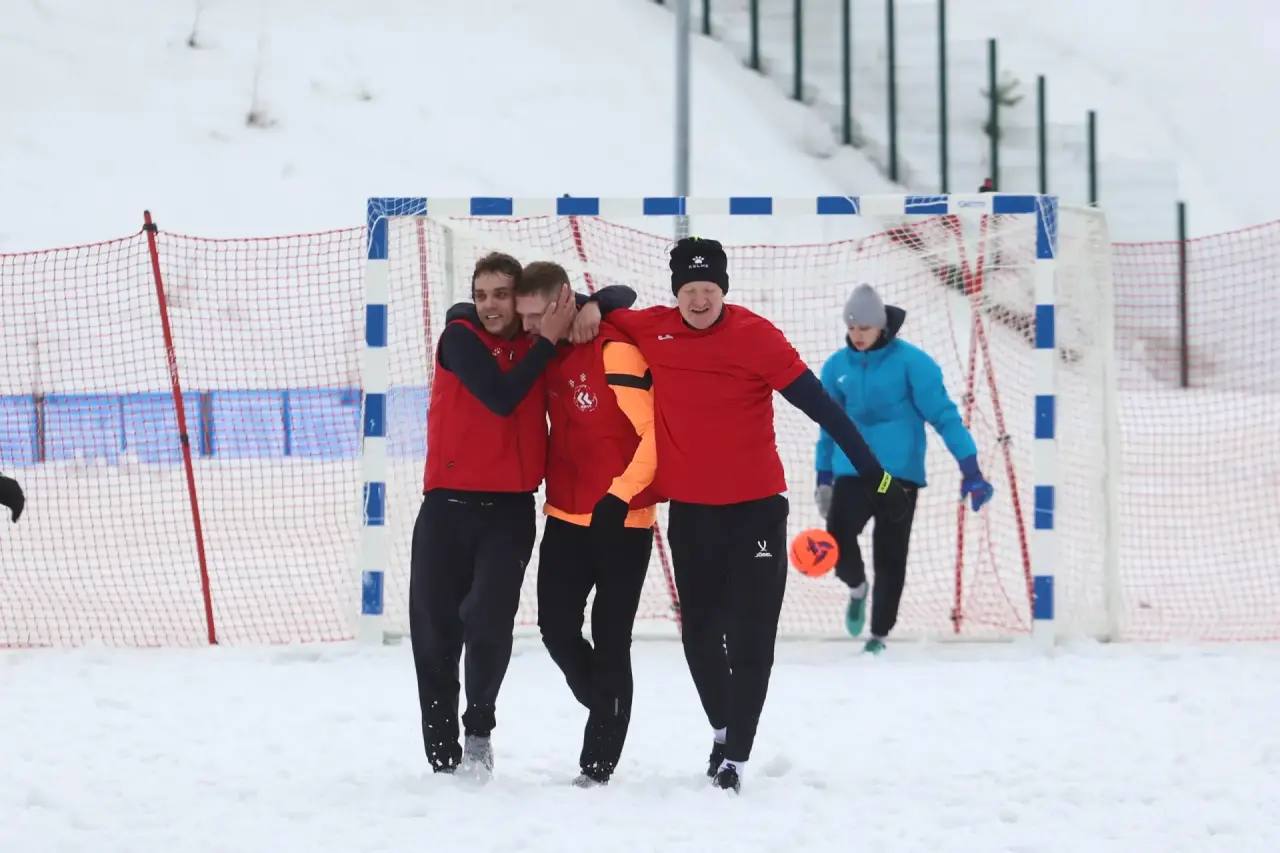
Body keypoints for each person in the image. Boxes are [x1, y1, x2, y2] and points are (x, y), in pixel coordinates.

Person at [605, 237, 908, 794]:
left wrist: (873, 472)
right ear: (677, 294)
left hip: (755, 514)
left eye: (709, 289)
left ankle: (736, 758)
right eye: (690, 290)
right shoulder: (652, 327)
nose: (700, 300)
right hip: (692, 514)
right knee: (698, 634)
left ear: (724, 289)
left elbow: (822, 406)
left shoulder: (755, 336)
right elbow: (602, 308)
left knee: (749, 638)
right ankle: (724, 729)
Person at [410, 251, 634, 781]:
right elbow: (501, 396)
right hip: (446, 507)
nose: (490, 305)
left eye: (501, 295)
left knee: (488, 621)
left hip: (508, 510)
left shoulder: (539, 342)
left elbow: (623, 295)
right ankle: (441, 755)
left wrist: (592, 305)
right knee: (436, 633)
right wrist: (554, 335)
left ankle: (479, 730)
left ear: (522, 299)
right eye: (481, 294)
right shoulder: (460, 338)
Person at [514, 261, 660, 788]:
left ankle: (597, 765)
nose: (528, 325)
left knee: (610, 636)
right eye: (522, 316)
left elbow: (655, 435)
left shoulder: (613, 349)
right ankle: (609, 705)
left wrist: (620, 496)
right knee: (554, 627)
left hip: (623, 517)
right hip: (563, 514)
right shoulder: (546, 353)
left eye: (537, 314)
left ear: (564, 301)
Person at [814, 284, 994, 655]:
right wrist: (823, 476)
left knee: (891, 554)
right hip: (851, 470)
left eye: (864, 327)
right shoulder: (836, 367)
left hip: (899, 475)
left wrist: (971, 469)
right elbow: (828, 424)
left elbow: (944, 417)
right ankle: (857, 588)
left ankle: (878, 634)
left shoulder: (914, 364)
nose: (857, 335)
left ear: (882, 326)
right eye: (851, 328)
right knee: (837, 540)